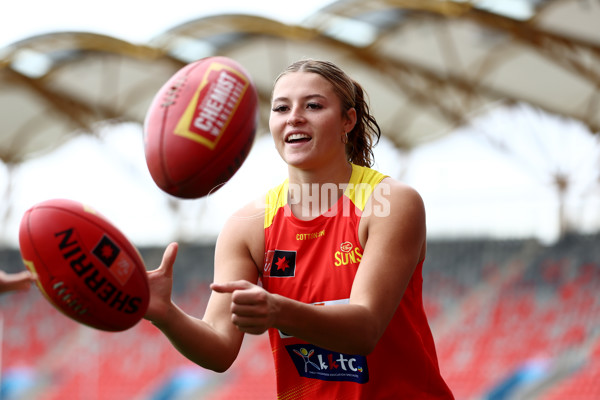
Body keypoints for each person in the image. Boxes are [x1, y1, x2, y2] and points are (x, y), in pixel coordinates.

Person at [145, 59, 454, 399]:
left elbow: (365, 330)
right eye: (281, 108)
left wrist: (277, 310)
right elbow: (219, 348)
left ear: (347, 120)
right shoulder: (248, 225)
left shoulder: (390, 203)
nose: (294, 116)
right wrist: (165, 313)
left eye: (313, 105)